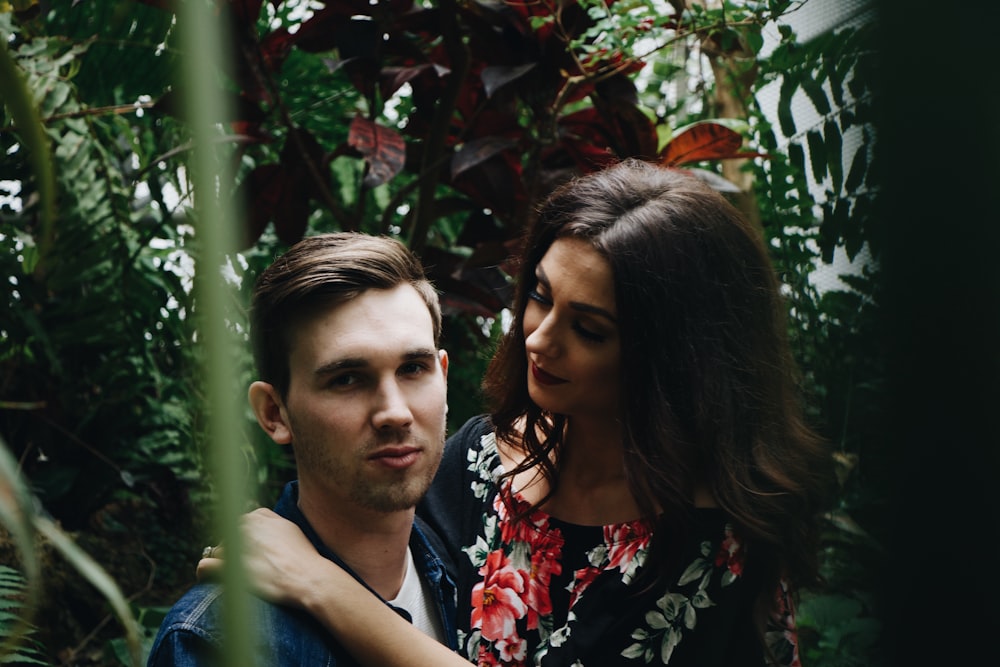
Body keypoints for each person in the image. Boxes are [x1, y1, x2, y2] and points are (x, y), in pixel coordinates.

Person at [201, 159, 833, 666]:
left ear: (671, 361)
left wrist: (322, 587)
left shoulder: (718, 542)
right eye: (539, 295)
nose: (538, 339)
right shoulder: (474, 466)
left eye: (588, 328)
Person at [147, 232, 458, 665]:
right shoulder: (223, 642)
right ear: (275, 413)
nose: (395, 413)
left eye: (413, 368)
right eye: (347, 378)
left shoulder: (467, 564)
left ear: (442, 377)